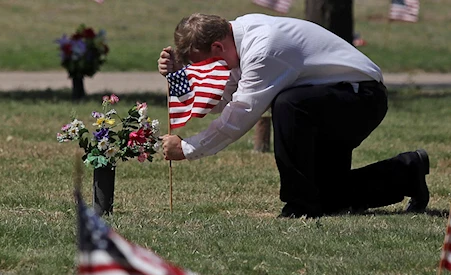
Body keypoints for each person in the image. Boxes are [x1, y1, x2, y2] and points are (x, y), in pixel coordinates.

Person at [158, 13, 430, 218]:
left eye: (204, 65)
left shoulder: (263, 49)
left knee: (288, 104)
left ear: (217, 47)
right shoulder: (237, 38)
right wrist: (178, 74)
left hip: (361, 99)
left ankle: (300, 203)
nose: (210, 71)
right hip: (333, 99)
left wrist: (187, 148)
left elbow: (240, 114)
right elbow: (223, 98)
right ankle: (408, 171)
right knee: (329, 196)